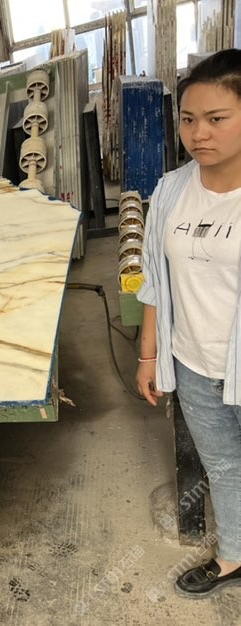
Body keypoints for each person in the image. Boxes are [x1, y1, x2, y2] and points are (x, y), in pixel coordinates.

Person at [137, 48, 241, 598]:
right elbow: (156, 279)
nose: (199, 134)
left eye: (217, 118)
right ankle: (234, 556)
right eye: (188, 119)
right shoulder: (172, 190)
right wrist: (149, 355)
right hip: (194, 361)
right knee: (222, 465)